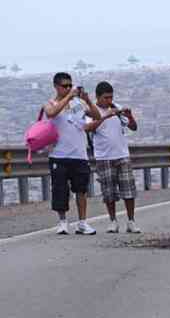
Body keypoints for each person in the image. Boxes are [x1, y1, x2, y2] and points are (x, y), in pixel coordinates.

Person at [44, 72, 102, 235]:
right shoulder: (51, 103)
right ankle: (62, 222)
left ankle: (82, 222)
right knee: (60, 190)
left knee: (81, 190)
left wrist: (87, 100)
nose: (68, 88)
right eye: (65, 86)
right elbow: (51, 113)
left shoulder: (77, 105)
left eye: (70, 85)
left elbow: (97, 116)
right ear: (56, 87)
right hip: (59, 155)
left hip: (79, 154)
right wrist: (68, 97)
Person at [85, 82, 141, 234]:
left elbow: (133, 127)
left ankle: (131, 220)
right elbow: (89, 128)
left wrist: (129, 116)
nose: (109, 100)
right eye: (105, 98)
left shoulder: (116, 108)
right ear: (98, 97)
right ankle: (113, 220)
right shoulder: (92, 111)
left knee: (128, 189)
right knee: (109, 191)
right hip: (104, 156)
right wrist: (105, 116)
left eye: (111, 97)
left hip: (122, 154)